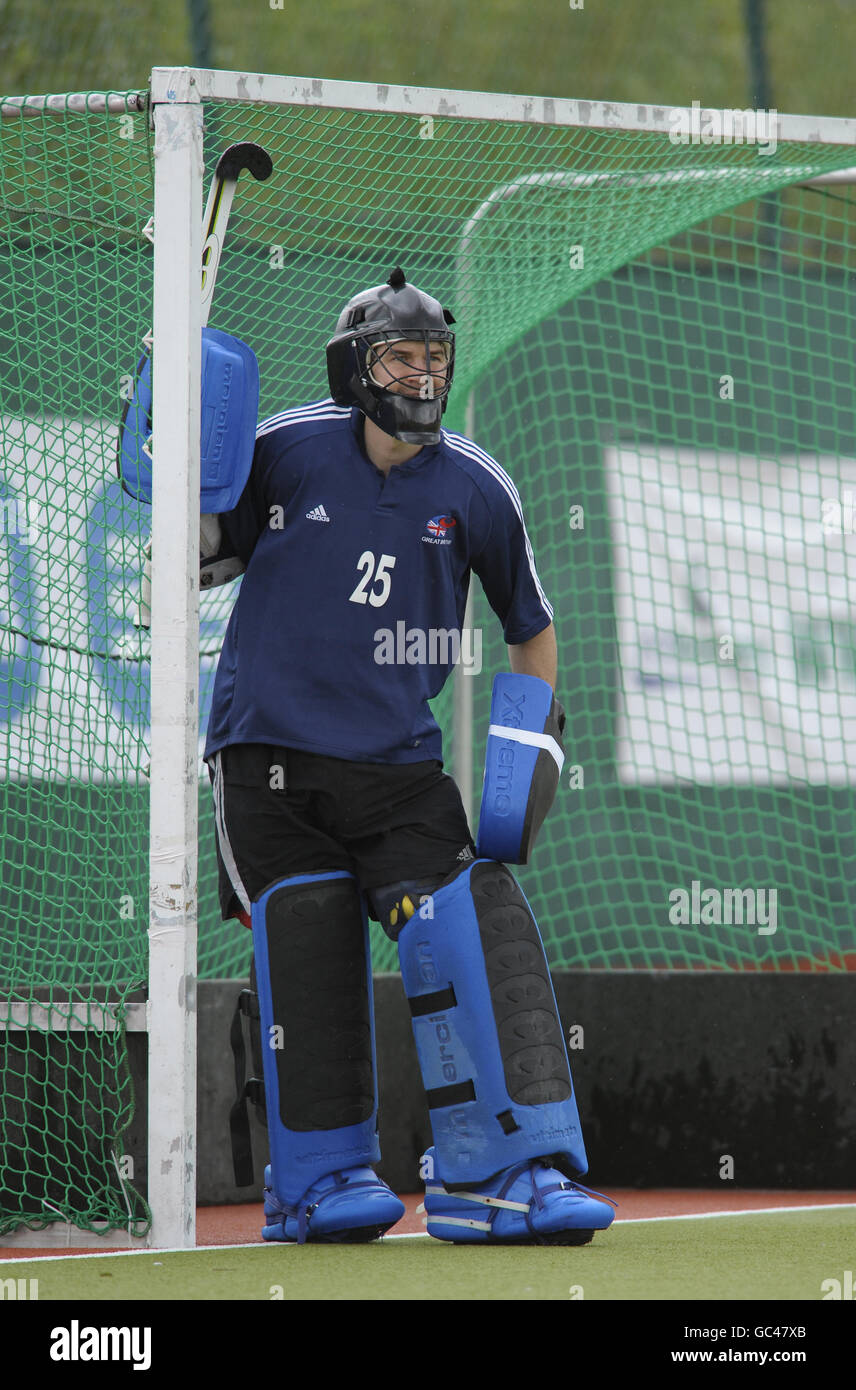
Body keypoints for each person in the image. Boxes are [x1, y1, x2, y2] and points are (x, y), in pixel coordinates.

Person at [205, 267, 615, 1245]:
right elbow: (198, 549)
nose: (423, 376)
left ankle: (500, 1171)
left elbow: (531, 626)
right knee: (303, 943)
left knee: (471, 927)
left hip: (396, 773)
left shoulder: (476, 485)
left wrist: (528, 745)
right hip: (266, 762)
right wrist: (171, 472)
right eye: (401, 356)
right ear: (355, 366)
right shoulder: (287, 452)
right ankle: (315, 1181)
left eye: (434, 357)